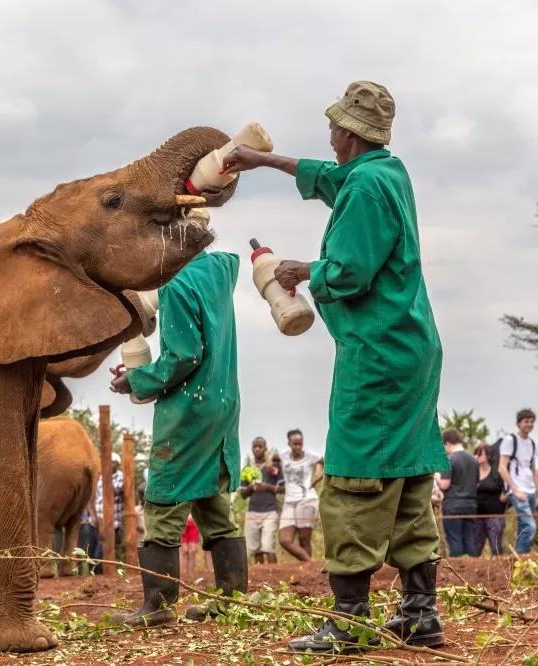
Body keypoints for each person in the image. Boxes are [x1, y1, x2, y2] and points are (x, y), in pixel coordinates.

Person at [223, 80, 448, 652]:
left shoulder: (368, 189)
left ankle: (348, 621)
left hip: (377, 356)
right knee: (408, 473)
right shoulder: (385, 172)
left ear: (347, 132)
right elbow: (329, 176)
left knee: (354, 476)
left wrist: (301, 271)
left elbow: (348, 271)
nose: (329, 133)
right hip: (411, 351)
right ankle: (420, 612)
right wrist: (261, 159)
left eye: (334, 126)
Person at [108, 249, 246, 626]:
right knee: (212, 500)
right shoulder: (217, 270)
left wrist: (135, 379)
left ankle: (158, 605)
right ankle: (232, 603)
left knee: (165, 499)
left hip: (189, 409)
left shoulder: (179, 285)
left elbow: (183, 356)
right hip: (221, 400)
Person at [278, 430, 322, 562]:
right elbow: (270, 459)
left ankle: (309, 572)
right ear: (289, 444)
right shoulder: (283, 455)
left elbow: (323, 460)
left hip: (307, 499)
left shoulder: (310, 456)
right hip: (289, 501)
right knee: (285, 540)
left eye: (300, 444)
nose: (298, 447)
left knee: (304, 539)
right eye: (295, 444)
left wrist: (318, 473)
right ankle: (311, 563)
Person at [498, 408, 537, 554]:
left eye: (532, 421)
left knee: (524, 526)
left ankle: (520, 560)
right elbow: (502, 468)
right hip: (517, 489)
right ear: (519, 423)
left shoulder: (533, 443)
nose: (530, 424)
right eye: (526, 421)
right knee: (530, 526)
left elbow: (534, 470)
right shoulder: (510, 440)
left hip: (531, 490)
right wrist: (515, 490)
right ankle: (520, 559)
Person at [239, 437, 283, 564]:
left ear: (265, 449)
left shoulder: (274, 466)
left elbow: (284, 488)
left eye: (260, 446)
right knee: (255, 549)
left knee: (268, 546)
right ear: (252, 449)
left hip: (270, 511)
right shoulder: (247, 468)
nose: (257, 449)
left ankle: (275, 575)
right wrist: (251, 488)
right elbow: (242, 494)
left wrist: (267, 487)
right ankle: (262, 577)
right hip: (252, 512)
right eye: (254, 446)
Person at [436, 429, 478, 557]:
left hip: (453, 505)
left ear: (447, 443)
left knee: (455, 541)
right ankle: (473, 571)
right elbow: (476, 483)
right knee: (469, 540)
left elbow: (444, 485)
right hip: (471, 505)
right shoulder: (473, 459)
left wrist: (435, 476)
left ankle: (458, 573)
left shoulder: (449, 459)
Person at [473, 443, 506, 557]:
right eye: (475, 453)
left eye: (480, 453)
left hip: (495, 516)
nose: (477, 456)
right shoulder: (473, 472)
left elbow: (507, 488)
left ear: (488, 455)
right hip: (477, 517)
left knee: (496, 548)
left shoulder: (496, 472)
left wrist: (504, 498)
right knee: (475, 550)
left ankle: (500, 572)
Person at [180, 514, 200, 581]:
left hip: (193, 522)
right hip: (182, 520)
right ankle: (181, 576)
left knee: (192, 551)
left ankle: (190, 576)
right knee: (183, 552)